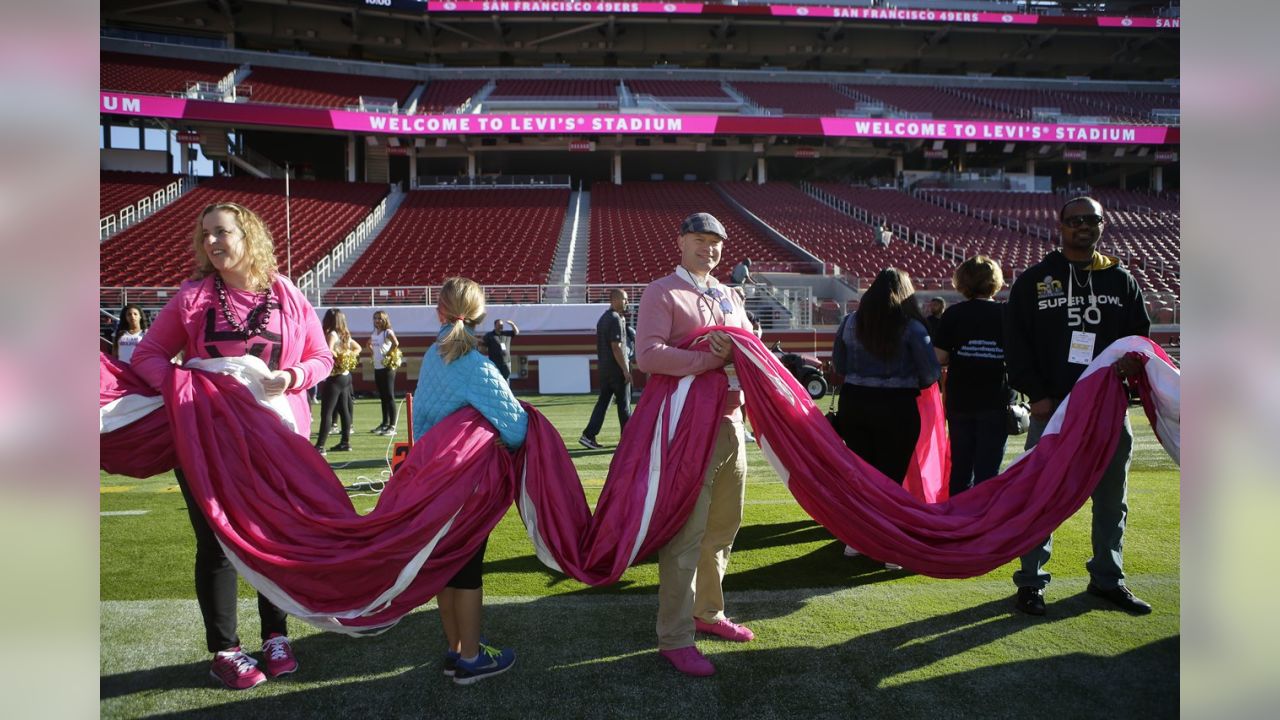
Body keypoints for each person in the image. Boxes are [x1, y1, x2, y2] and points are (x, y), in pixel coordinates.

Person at [131, 201, 331, 690]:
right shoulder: (194, 296)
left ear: (249, 237)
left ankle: (276, 637)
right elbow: (148, 355)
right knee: (216, 545)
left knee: (276, 539)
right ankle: (225, 650)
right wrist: (186, 393)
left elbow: (321, 356)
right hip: (206, 439)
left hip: (278, 440)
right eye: (205, 235)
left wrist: (292, 375)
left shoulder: (287, 294)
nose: (212, 242)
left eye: (221, 232)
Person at [1006, 196, 1152, 617]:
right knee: (1041, 497)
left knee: (1112, 500)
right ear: (1061, 226)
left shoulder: (1121, 280)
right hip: (1052, 410)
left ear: (1103, 225)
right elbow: (1016, 344)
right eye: (1075, 221)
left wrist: (1131, 361)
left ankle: (1108, 579)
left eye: (1092, 220)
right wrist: (1036, 395)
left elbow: (1140, 338)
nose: (1083, 227)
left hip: (1107, 410)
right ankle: (1031, 583)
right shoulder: (1035, 280)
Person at [635, 211, 756, 678]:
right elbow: (647, 355)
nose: (709, 248)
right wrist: (709, 359)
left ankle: (709, 613)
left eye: (716, 242)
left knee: (724, 527)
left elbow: (743, 345)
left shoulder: (728, 293)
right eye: (700, 239)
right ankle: (675, 636)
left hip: (731, 421)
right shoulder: (661, 290)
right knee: (687, 535)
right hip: (688, 426)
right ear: (681, 242)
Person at [412, 276, 526, 685]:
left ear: (439, 311)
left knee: (445, 565)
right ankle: (473, 659)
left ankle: (455, 649)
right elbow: (515, 427)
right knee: (469, 569)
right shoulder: (476, 364)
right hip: (469, 484)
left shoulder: (431, 356)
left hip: (430, 481)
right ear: (480, 315)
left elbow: (421, 420)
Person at [832, 268, 942, 569]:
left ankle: (857, 539)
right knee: (893, 478)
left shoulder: (850, 322)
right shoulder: (913, 328)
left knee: (862, 474)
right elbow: (929, 374)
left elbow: (839, 365)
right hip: (897, 406)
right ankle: (892, 548)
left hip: (855, 402)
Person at [933, 256, 1011, 497]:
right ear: (994, 281)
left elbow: (939, 357)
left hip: (961, 401)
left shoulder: (953, 314)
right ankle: (986, 526)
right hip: (995, 400)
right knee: (988, 471)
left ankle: (959, 524)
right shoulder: (1006, 313)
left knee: (961, 469)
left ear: (962, 282)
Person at [579, 289, 632, 450]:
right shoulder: (615, 318)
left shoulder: (603, 318)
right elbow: (616, 347)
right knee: (624, 404)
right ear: (615, 300)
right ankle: (628, 440)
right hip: (616, 369)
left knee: (603, 403)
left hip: (605, 368)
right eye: (624, 299)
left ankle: (588, 435)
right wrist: (625, 370)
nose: (627, 302)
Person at [315, 309, 360, 455]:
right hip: (346, 376)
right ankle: (345, 442)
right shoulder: (345, 334)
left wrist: (339, 358)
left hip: (335, 377)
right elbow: (357, 348)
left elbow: (328, 350)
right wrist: (348, 356)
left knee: (327, 411)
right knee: (344, 410)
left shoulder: (333, 334)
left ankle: (320, 446)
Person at [368, 310, 400, 437]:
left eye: (379, 318)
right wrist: (373, 352)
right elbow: (369, 344)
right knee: (382, 396)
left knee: (389, 396)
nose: (377, 320)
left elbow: (396, 343)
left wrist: (387, 354)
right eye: (375, 318)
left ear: (385, 319)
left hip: (387, 367)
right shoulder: (374, 332)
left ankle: (392, 426)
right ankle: (384, 423)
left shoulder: (387, 332)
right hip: (377, 367)